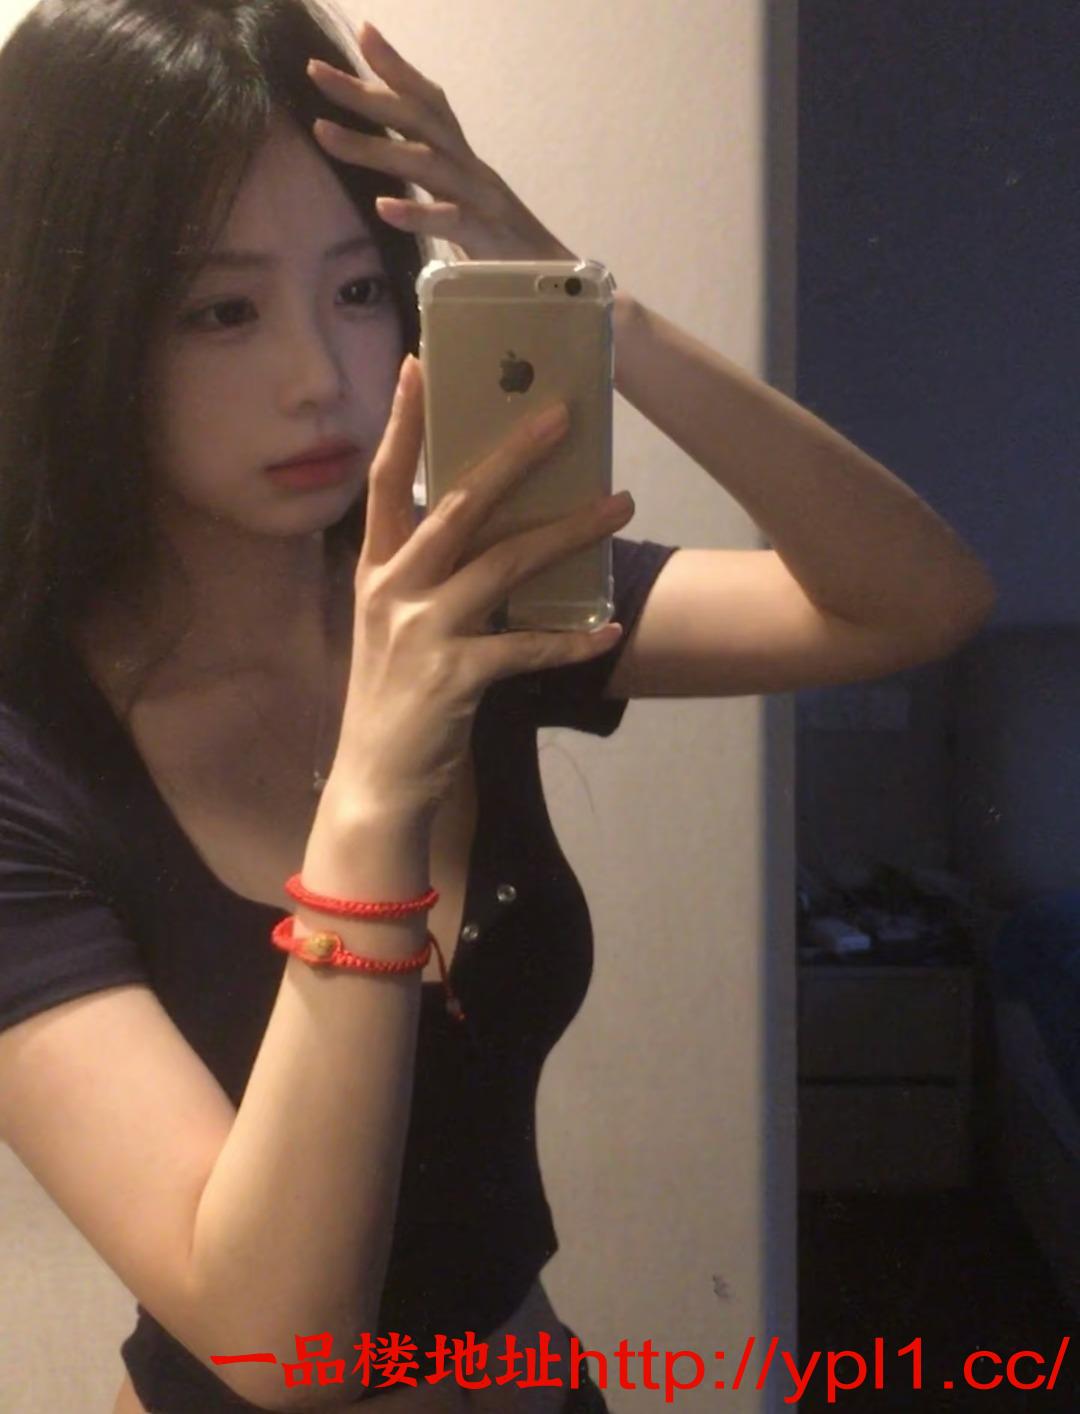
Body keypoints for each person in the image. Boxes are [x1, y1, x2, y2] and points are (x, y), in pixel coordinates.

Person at [0, 2, 997, 1411]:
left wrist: (588, 307)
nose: (322, 376)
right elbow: (280, 1343)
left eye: (360, 289)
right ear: (75, 331)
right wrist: (377, 778)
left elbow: (912, 600)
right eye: (220, 309)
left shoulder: (476, 596)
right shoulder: (32, 755)